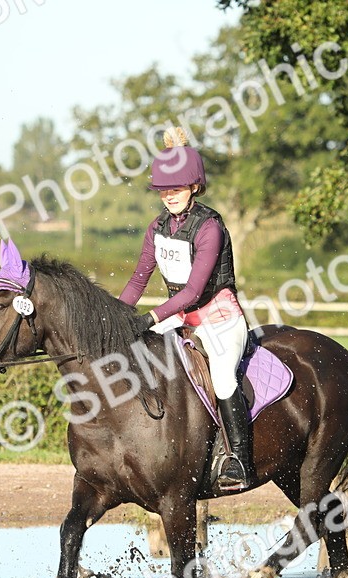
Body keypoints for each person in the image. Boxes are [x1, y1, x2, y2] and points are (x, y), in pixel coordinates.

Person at [120, 128, 254, 491]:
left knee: (224, 378)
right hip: (180, 318)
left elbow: (195, 291)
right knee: (138, 357)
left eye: (176, 189)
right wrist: (115, 316)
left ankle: (239, 459)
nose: (169, 196)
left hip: (219, 317)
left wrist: (150, 317)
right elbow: (138, 280)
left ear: (194, 186)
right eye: (164, 190)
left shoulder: (209, 227)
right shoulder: (157, 227)